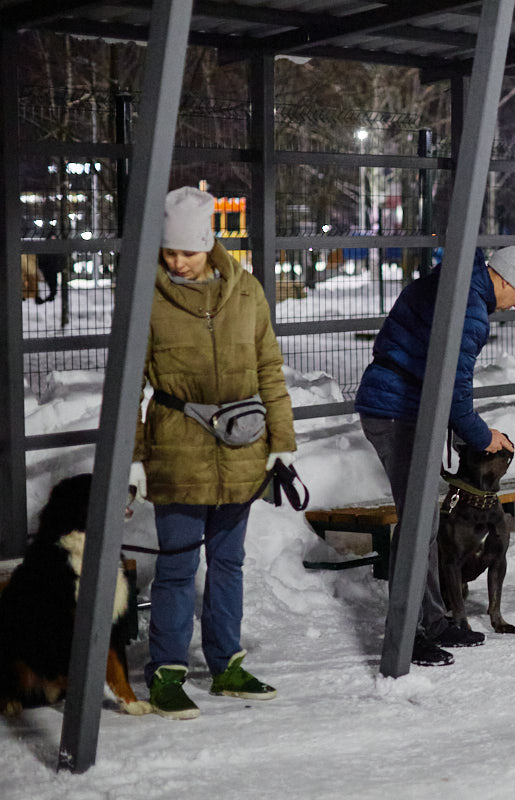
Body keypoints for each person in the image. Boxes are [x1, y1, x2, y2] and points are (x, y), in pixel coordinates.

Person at [130, 187, 296, 720]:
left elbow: (269, 369)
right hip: (177, 446)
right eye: (170, 251)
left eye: (187, 251)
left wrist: (281, 442)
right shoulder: (146, 297)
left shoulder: (247, 292)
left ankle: (227, 664)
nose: (177, 261)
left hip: (242, 446)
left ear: (208, 244)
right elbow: (128, 384)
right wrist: (133, 456)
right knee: (178, 565)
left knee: (229, 562)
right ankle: (167, 672)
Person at [355, 245, 515, 666]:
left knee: (424, 522)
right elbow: (456, 392)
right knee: (419, 525)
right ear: (505, 279)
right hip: (397, 411)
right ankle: (409, 633)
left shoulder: (456, 286)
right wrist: (483, 437)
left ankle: (434, 621)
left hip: (400, 406)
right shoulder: (469, 308)